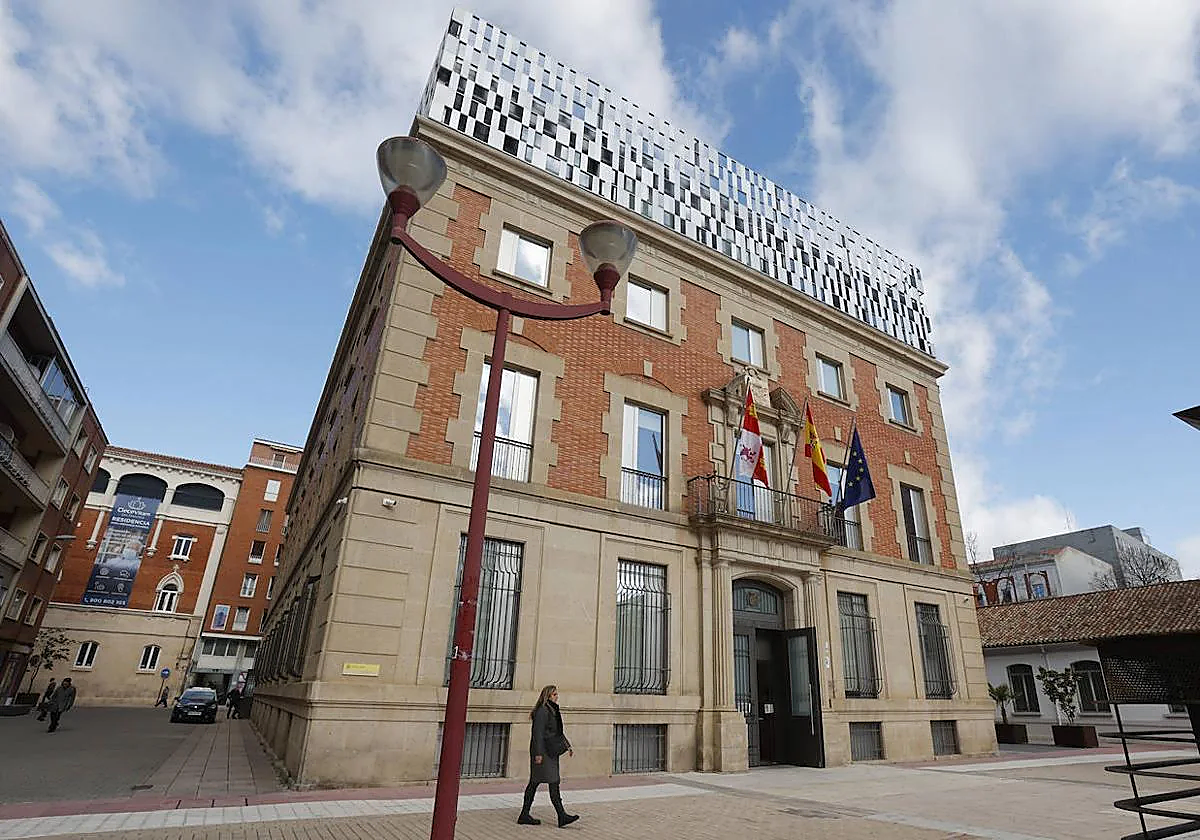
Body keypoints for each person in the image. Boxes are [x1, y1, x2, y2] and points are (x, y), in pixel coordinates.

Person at [518, 685, 578, 828]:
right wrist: (538, 753)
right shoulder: (542, 711)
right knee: (542, 781)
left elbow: (557, 732)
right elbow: (537, 734)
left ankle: (527, 814)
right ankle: (559, 815)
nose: (557, 697)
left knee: (544, 781)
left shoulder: (552, 710)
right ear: (547, 696)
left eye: (557, 694)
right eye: (554, 694)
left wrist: (567, 745)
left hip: (550, 751)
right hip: (543, 752)